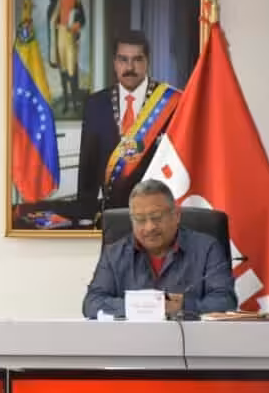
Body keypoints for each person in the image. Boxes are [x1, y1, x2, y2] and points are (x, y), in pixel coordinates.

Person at [83, 179, 237, 319]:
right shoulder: (114, 254)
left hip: (192, 344)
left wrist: (182, 306)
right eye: (140, 220)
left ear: (176, 215)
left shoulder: (207, 248)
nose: (149, 227)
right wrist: (145, 307)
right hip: (130, 343)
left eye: (156, 217)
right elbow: (92, 303)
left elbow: (225, 301)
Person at [76, 30, 180, 224]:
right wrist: (85, 217)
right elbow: (88, 166)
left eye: (137, 60)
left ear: (147, 61)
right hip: (112, 216)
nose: (130, 67)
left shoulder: (171, 104)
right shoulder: (96, 104)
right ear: (115, 62)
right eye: (123, 59)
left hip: (158, 217)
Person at [47, 0, 86, 115]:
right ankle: (65, 101)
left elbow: (82, 19)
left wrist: (76, 26)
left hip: (70, 36)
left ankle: (75, 102)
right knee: (63, 69)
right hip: (60, 35)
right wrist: (55, 23)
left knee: (72, 69)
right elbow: (52, 15)